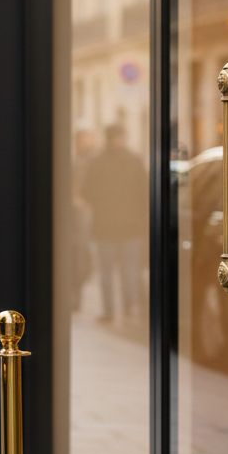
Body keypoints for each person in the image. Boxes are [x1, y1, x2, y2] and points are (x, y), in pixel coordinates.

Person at [80, 123, 147, 322]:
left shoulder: (97, 162)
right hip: (129, 227)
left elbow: (87, 192)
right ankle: (128, 306)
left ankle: (111, 311)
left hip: (105, 226)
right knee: (128, 270)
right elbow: (144, 193)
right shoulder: (134, 161)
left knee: (109, 273)